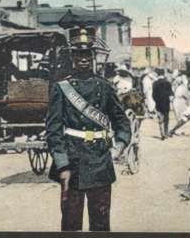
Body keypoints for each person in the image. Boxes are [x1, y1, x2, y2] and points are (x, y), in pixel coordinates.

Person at [46, 26, 131, 232]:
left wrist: (118, 146)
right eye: (78, 54)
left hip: (100, 162)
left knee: (101, 223)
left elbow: (122, 123)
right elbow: (54, 130)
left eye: (87, 54)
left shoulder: (105, 87)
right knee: (71, 222)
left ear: (93, 56)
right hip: (72, 163)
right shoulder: (61, 88)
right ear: (72, 57)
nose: (83, 58)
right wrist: (62, 165)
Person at [152, 68, 173, 140]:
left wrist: (156, 101)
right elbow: (171, 94)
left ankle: (162, 133)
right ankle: (166, 133)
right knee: (166, 119)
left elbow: (153, 95)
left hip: (158, 103)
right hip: (166, 103)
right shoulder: (168, 83)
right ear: (164, 74)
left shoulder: (155, 83)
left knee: (160, 119)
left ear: (157, 74)